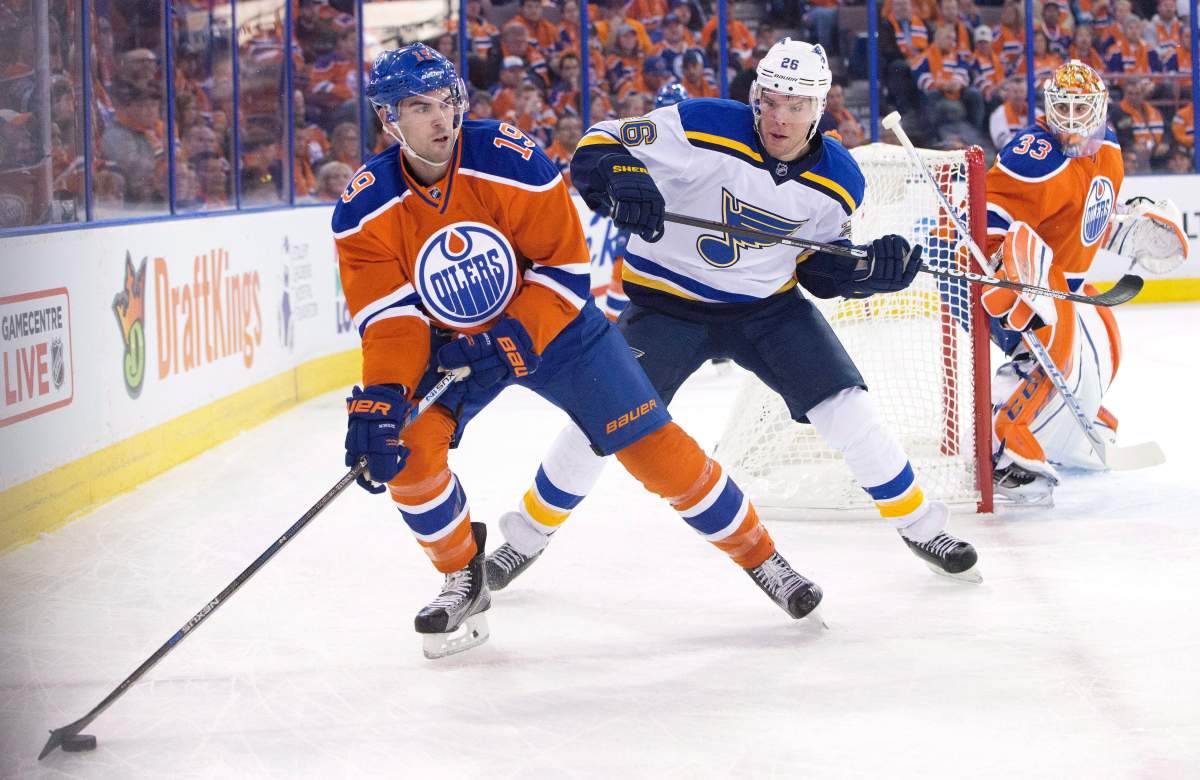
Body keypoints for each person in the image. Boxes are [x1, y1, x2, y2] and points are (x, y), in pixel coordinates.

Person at [335, 43, 826, 659]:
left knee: (654, 449)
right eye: (419, 108)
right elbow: (392, 322)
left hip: (558, 329)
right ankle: (464, 574)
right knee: (404, 450)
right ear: (388, 119)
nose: (441, 121)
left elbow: (564, 270)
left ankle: (763, 558)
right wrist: (382, 397)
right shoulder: (363, 208)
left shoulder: (506, 157)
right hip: (452, 348)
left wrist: (513, 335)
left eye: (448, 103)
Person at [483, 38, 981, 594]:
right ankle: (525, 536)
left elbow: (817, 269)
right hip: (666, 306)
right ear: (755, 96)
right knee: (601, 419)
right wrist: (626, 177)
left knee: (847, 404)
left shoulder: (842, 180)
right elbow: (597, 146)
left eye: (796, 105)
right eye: (770, 100)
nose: (780, 116)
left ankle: (919, 525)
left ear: (820, 109)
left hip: (767, 311)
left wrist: (868, 274)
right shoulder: (702, 124)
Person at [980, 60, 1185, 503]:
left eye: (1081, 109)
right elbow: (986, 218)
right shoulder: (1033, 156)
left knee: (1106, 342)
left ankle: (1072, 424)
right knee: (1055, 346)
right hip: (1010, 283)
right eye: (1063, 108)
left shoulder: (1107, 151)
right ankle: (1002, 447)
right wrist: (1001, 261)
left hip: (1061, 281)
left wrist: (1125, 231)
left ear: (1101, 110)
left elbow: (1082, 218)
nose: (1071, 121)